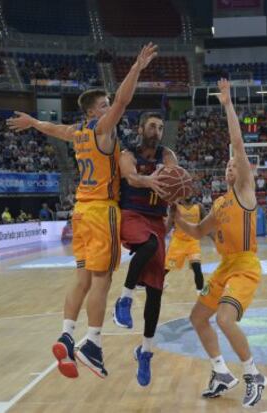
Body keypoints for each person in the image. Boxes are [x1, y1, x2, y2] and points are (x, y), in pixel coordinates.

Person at [7, 43, 158, 379]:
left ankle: (66, 332)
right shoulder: (102, 129)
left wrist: (33, 121)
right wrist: (136, 67)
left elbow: (53, 129)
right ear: (93, 111)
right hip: (102, 211)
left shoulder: (77, 133)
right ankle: (92, 343)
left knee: (83, 278)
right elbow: (124, 100)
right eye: (103, 106)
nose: (109, 109)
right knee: (102, 280)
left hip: (80, 211)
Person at [174, 79, 267, 408]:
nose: (231, 165)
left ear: (242, 171)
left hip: (245, 266)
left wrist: (227, 104)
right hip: (225, 268)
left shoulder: (245, 193)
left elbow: (237, 144)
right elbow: (197, 231)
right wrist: (173, 214)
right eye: (227, 165)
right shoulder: (218, 203)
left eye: (235, 164)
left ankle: (254, 374)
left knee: (225, 320)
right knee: (198, 318)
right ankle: (220, 372)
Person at [113, 112, 177, 386]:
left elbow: (175, 179)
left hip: (157, 220)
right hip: (132, 214)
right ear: (140, 128)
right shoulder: (128, 153)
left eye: (161, 126)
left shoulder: (167, 155)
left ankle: (145, 351)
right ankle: (124, 298)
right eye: (152, 125)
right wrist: (150, 180)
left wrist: (174, 216)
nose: (157, 130)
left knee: (156, 292)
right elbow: (129, 177)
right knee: (149, 244)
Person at [165, 198, 206, 293]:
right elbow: (169, 225)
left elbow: (207, 223)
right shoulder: (175, 207)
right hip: (178, 243)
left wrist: (215, 237)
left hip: (193, 242)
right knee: (166, 268)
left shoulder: (199, 207)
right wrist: (160, 235)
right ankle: (156, 284)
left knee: (197, 268)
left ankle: (200, 292)